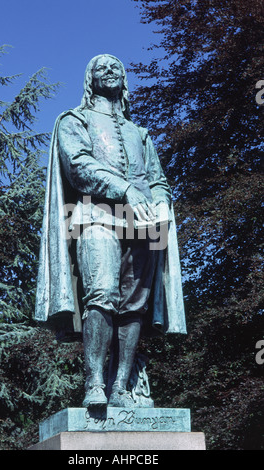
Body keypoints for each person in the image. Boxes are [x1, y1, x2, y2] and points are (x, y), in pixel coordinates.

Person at [35, 54, 186, 408]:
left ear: (124, 79)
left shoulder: (141, 133)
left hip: (145, 222)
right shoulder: (74, 120)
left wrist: (161, 202)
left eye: (116, 66)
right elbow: (78, 167)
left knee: (135, 306)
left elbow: (157, 180)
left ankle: (121, 386)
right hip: (95, 215)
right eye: (100, 67)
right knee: (101, 294)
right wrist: (126, 189)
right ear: (89, 78)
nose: (109, 70)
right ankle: (94, 384)